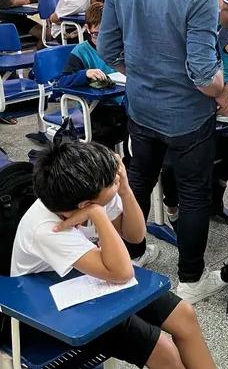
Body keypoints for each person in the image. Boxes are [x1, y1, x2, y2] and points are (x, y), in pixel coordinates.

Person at [98, 0, 228, 304]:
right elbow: (202, 74)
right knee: (193, 194)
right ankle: (190, 280)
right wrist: (222, 89)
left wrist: (143, 72)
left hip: (140, 106)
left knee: (139, 179)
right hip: (187, 116)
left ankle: (133, 254)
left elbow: (107, 49)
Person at [11, 141, 215, 369]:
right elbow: (122, 273)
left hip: (91, 278)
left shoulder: (94, 189)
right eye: (114, 183)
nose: (116, 181)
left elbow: (135, 236)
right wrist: (98, 214)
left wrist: (125, 190)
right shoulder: (47, 228)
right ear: (86, 204)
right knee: (163, 352)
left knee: (184, 315)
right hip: (53, 305)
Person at [58, 2, 131, 154]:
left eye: (108, 35)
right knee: (106, 131)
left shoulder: (121, 46)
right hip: (96, 109)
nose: (103, 40)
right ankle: (109, 163)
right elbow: (63, 82)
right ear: (87, 28)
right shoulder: (81, 52)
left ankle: (129, 163)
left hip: (123, 104)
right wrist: (85, 74)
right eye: (97, 34)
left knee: (139, 128)